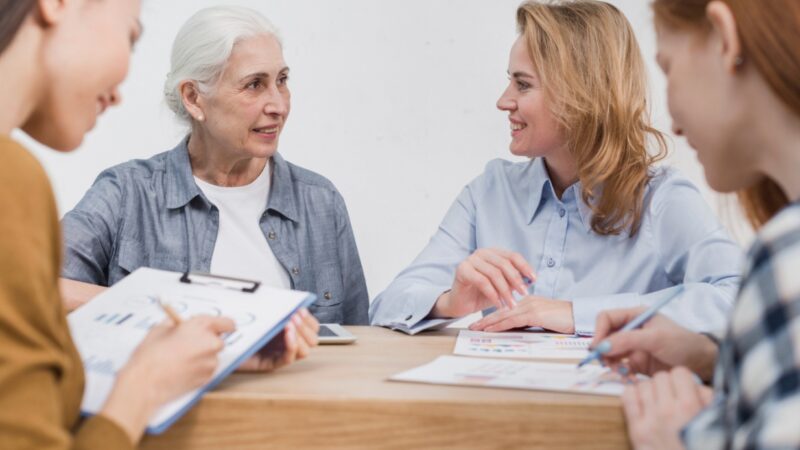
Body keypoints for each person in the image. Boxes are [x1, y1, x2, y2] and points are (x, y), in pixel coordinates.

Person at [0, 1, 316, 447]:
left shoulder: (320, 200)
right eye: (130, 35)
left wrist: (205, 351)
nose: (120, 91)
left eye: (282, 81)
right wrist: (147, 379)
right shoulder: (15, 180)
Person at [370, 0, 742, 336]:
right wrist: (450, 301)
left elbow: (738, 298)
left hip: (608, 410)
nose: (504, 101)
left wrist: (577, 314)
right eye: (509, 82)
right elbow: (386, 307)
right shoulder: (489, 192)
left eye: (523, 85)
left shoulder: (661, 199)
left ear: (580, 93)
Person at [59, 6, 369, 326]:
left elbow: (362, 343)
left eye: (282, 80)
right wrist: (155, 307)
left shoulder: (321, 202)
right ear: (193, 98)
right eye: (254, 84)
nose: (278, 105)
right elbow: (26, 286)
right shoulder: (126, 194)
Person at [592, 0, 800, 448]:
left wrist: (672, 442)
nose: (672, 124)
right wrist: (716, 359)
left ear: (724, 39)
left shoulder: (788, 257)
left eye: (667, 69)